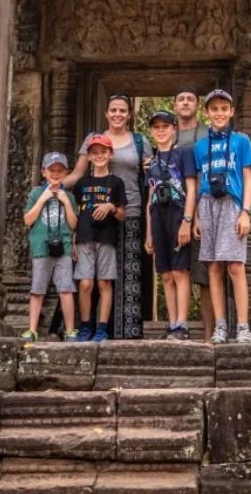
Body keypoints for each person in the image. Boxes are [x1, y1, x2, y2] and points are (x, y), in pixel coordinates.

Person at [64, 94, 152, 339]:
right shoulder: (94, 140)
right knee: (87, 276)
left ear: (129, 114)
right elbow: (77, 175)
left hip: (128, 210)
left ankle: (125, 332)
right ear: (106, 113)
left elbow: (152, 171)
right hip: (91, 216)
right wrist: (53, 186)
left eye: (122, 110)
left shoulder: (139, 140)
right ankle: (84, 328)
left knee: (125, 274)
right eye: (113, 110)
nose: (117, 114)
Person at [193, 89, 251, 344]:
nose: (219, 113)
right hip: (208, 204)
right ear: (206, 113)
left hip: (232, 204)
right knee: (214, 266)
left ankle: (242, 326)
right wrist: (196, 216)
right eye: (214, 109)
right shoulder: (200, 146)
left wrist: (246, 212)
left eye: (223, 109)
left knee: (235, 265)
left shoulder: (242, 141)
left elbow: (248, 179)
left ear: (231, 112)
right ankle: (220, 326)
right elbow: (199, 182)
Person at [144, 109, 198, 340]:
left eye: (165, 126)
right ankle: (172, 323)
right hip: (158, 215)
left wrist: (188, 220)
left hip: (178, 213)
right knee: (165, 274)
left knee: (180, 271)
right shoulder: (151, 162)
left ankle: (182, 324)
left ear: (174, 129)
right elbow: (150, 198)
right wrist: (148, 234)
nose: (161, 131)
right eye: (156, 127)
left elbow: (192, 188)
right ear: (151, 131)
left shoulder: (183, 153)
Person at [70, 134, 127, 342]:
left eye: (104, 152)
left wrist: (111, 207)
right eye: (95, 153)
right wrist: (73, 240)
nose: (100, 156)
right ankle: (85, 326)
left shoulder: (116, 183)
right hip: (84, 237)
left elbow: (122, 214)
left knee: (104, 283)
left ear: (110, 154)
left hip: (107, 238)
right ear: (89, 156)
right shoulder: (81, 183)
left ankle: (102, 328)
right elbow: (75, 214)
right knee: (85, 283)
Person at [21, 152, 79, 342]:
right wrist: (43, 199)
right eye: (51, 170)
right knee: (38, 289)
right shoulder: (36, 193)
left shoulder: (69, 196)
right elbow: (28, 220)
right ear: (43, 172)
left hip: (63, 248)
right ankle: (32, 329)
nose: (55, 174)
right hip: (40, 248)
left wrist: (65, 202)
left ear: (66, 173)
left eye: (59, 170)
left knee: (66, 289)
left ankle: (70, 330)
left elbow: (73, 224)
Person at [173, 85, 214, 342]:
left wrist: (196, 216)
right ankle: (177, 328)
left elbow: (204, 175)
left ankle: (209, 335)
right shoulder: (167, 134)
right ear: (174, 105)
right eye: (181, 99)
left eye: (190, 99)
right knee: (175, 273)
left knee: (205, 275)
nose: (185, 102)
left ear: (197, 105)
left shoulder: (207, 134)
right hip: (171, 213)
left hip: (200, 211)